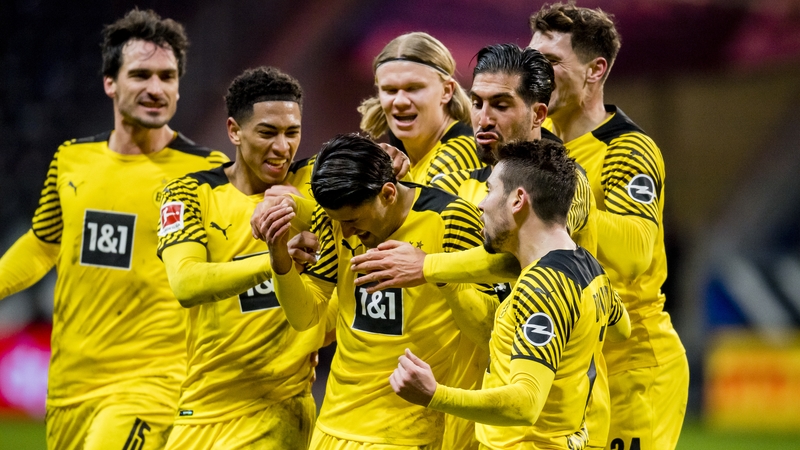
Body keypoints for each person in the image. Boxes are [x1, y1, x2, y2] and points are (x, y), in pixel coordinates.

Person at [0, 9, 227, 449]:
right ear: (110, 82)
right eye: (141, 74)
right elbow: (43, 244)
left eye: (167, 76)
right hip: (69, 386)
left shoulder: (210, 173)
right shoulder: (72, 160)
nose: (156, 88)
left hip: (152, 384)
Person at [259, 133, 498, 449]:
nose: (347, 232)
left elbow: (487, 331)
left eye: (354, 221)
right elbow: (307, 316)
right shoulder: (336, 217)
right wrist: (280, 262)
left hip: (409, 431)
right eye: (338, 222)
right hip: (333, 424)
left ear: (387, 193)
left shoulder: (452, 218)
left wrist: (434, 270)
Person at [390, 139, 630, 450]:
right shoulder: (588, 265)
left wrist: (434, 394)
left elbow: (525, 402)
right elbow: (621, 329)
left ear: (518, 200)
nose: (481, 204)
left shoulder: (543, 287)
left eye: (490, 191)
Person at [529, 4, 688, 449]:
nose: (536, 73)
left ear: (595, 70)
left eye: (552, 62)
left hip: (632, 364)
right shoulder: (542, 150)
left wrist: (569, 209)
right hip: (572, 363)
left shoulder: (626, 148)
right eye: (532, 60)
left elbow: (636, 253)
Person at [156, 66, 325, 449]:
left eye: (292, 132)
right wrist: (276, 260)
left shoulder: (315, 181)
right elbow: (185, 283)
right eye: (268, 132)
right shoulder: (190, 193)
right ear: (234, 131)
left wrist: (389, 157)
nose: (282, 147)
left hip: (276, 406)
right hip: (200, 405)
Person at [359, 31, 483, 185]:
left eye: (414, 88)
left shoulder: (458, 155)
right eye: (390, 90)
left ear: (446, 91)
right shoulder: (399, 154)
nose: (400, 101)